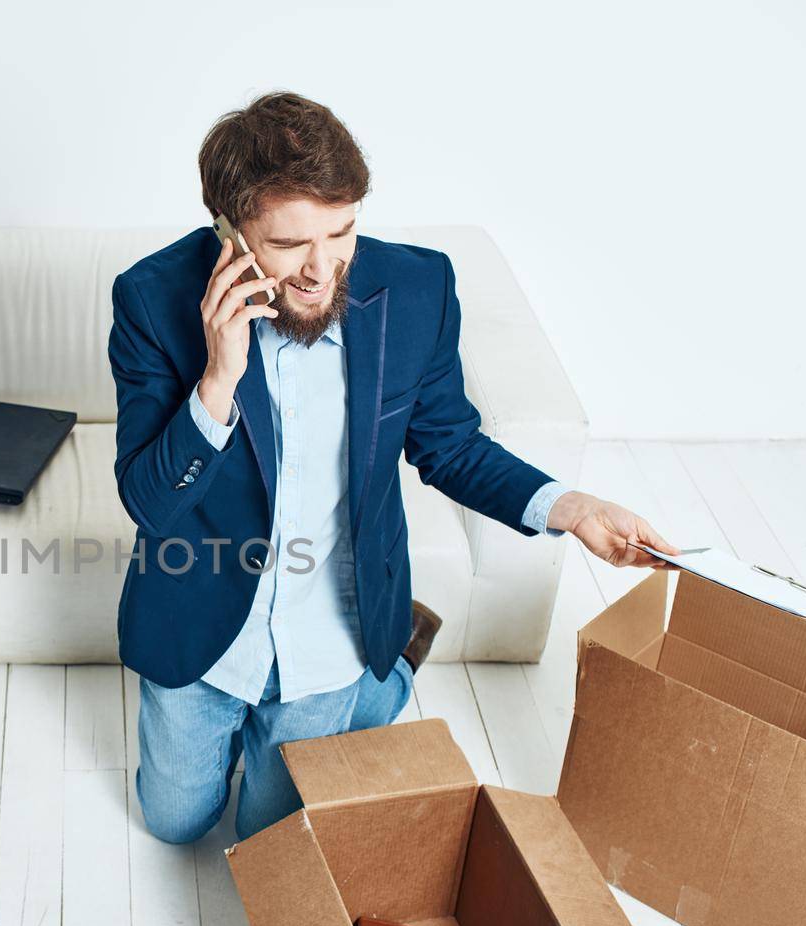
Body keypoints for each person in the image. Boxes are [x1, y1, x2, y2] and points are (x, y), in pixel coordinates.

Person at [109, 91, 678, 844]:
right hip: (204, 624)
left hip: (330, 628)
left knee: (266, 840)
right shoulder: (151, 299)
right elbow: (151, 504)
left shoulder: (417, 290)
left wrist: (567, 507)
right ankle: (366, 684)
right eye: (288, 244)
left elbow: (449, 444)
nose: (321, 269)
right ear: (230, 231)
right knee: (176, 825)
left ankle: (387, 663)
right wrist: (217, 378)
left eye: (342, 231)